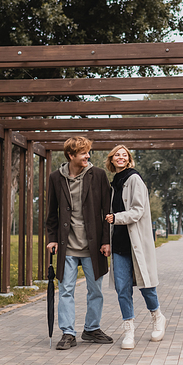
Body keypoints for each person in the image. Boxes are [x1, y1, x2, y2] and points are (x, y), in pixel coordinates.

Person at [46, 136, 113, 350]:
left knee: (96, 291)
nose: (88, 156)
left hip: (93, 246)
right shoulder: (56, 178)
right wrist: (52, 238)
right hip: (68, 245)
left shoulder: (99, 176)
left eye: (88, 152)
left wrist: (106, 241)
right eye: (83, 153)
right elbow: (52, 212)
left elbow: (106, 210)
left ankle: (91, 329)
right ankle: (68, 333)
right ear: (71, 155)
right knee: (66, 290)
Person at [105, 144, 166, 349]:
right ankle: (129, 330)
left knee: (146, 285)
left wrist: (116, 218)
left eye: (124, 155)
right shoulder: (114, 183)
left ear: (129, 159)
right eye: (117, 155)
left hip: (136, 242)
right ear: (111, 160)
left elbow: (138, 210)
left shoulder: (134, 179)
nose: (121, 158)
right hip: (119, 244)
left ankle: (157, 316)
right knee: (122, 289)